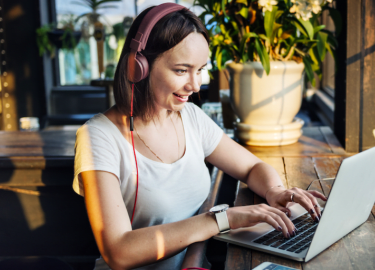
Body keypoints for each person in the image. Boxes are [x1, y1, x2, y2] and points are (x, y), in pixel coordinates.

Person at [73, 4, 326, 270]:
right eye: (182, 70)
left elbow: (252, 167)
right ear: (138, 67)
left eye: (200, 69)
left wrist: (275, 191)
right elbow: (119, 252)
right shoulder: (98, 137)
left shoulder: (191, 117)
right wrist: (220, 219)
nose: (195, 86)